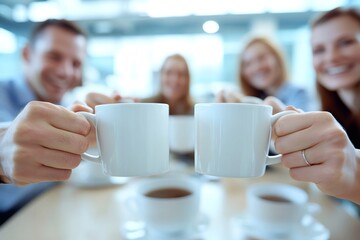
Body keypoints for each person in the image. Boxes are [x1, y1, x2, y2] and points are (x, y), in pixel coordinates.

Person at [0, 19, 90, 225]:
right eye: (54, 57)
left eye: (75, 64)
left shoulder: (67, 104)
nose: (65, 72)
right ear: (27, 54)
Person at [270, 7, 360, 206]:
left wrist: (356, 175)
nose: (331, 57)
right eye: (319, 50)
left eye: (346, 43)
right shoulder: (336, 112)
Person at [217, 36, 311, 113]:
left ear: (277, 58)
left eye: (261, 58)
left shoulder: (299, 94)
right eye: (248, 64)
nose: (256, 67)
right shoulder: (256, 97)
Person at [85, 53, 194, 115]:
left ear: (188, 79)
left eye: (181, 74)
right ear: (161, 76)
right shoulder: (144, 106)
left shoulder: (196, 112)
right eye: (169, 72)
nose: (175, 79)